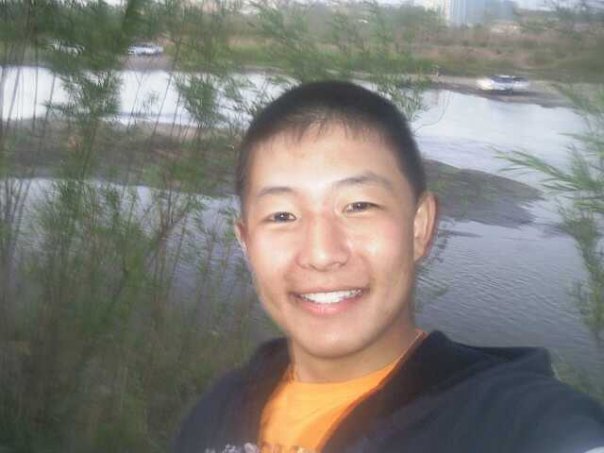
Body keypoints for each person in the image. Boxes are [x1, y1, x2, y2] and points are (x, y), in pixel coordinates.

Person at [174, 81, 604, 453]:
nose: (321, 254)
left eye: (359, 206)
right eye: (282, 215)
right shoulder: (219, 409)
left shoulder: (515, 420)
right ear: (246, 241)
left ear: (420, 226)